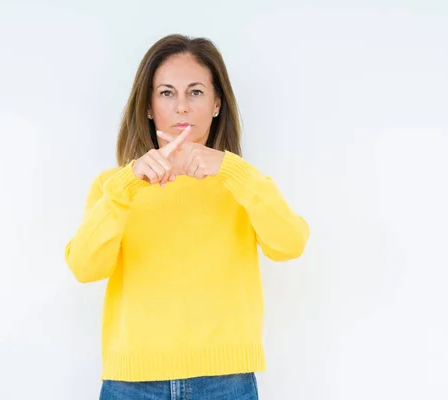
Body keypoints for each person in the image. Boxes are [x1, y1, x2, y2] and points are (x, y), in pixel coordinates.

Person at [64, 33, 309, 400]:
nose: (181, 106)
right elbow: (85, 268)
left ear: (216, 104)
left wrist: (233, 170)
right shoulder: (113, 186)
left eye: (195, 92)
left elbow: (290, 245)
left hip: (225, 381)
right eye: (166, 93)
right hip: (131, 384)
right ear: (147, 106)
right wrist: (128, 183)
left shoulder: (242, 182)